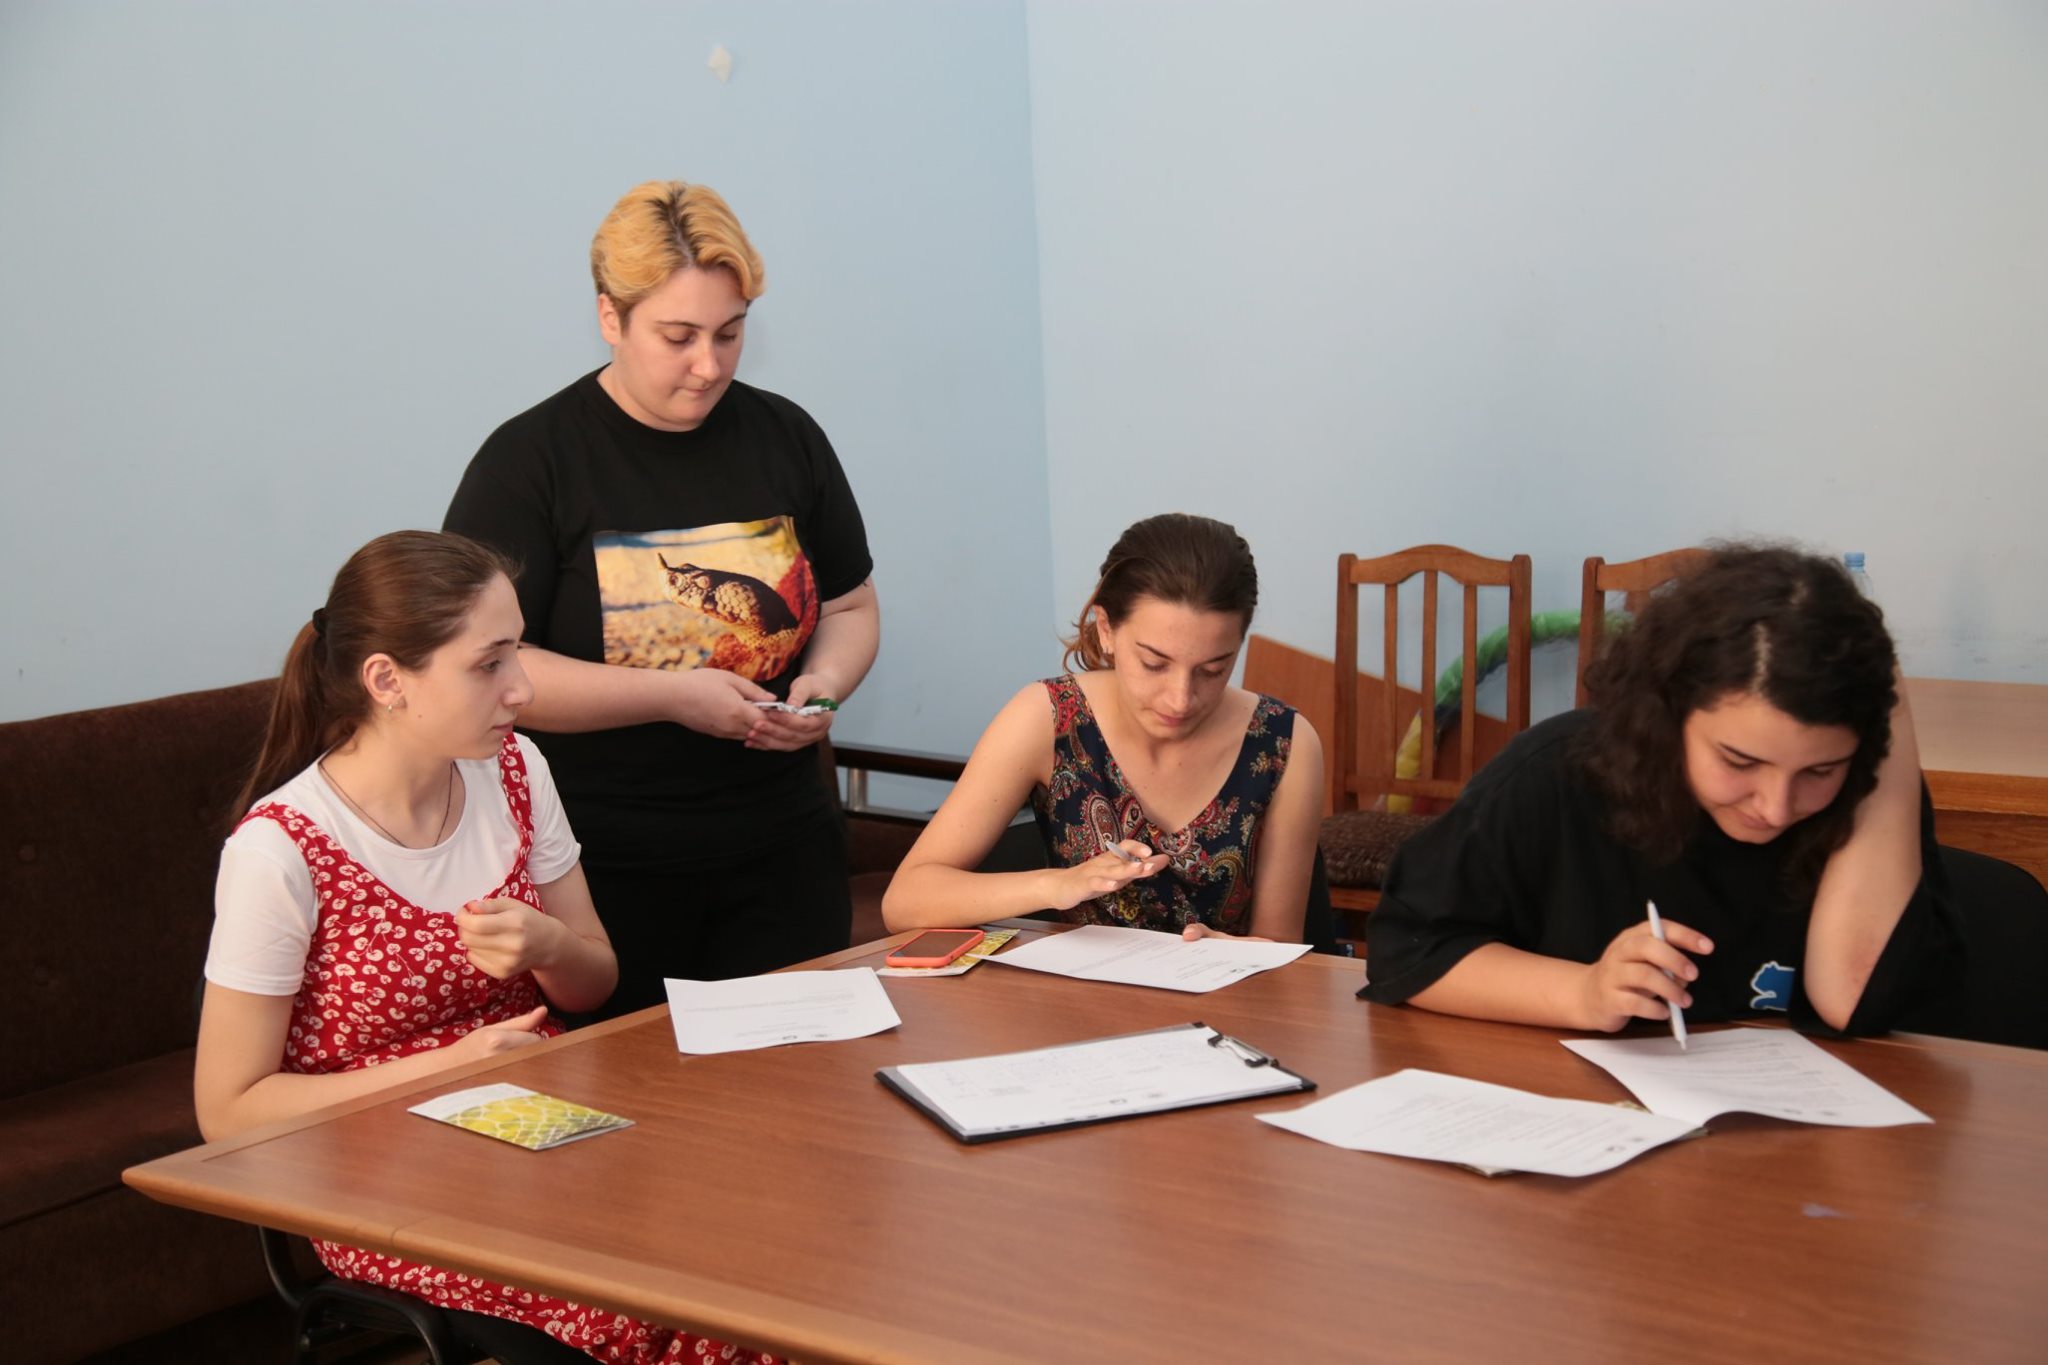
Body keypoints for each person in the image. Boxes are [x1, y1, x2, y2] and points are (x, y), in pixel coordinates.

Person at [195, 531, 770, 1365]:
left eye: (518, 653)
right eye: (489, 663)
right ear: (387, 680)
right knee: (655, 1312)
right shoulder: (279, 849)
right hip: (375, 1178)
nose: (522, 688)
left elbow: (592, 983)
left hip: (544, 1133)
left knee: (751, 1247)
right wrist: (449, 1067)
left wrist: (549, 943)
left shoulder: (516, 769)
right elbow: (228, 1110)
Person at [444, 179, 878, 1013]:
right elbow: (490, 664)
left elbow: (851, 607)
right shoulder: (530, 463)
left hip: (783, 853)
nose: (709, 365)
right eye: (678, 337)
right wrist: (672, 696)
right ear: (611, 318)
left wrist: (821, 689)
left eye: (730, 333)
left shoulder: (787, 436)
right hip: (602, 867)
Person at [1361, 544, 1961, 1036]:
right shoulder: (1557, 775)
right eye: (1739, 761)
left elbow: (1854, 997)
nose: (1776, 807)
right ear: (1668, 714)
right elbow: (1410, 951)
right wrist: (1584, 992)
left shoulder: (1863, 789)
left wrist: (1886, 703)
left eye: (1818, 772)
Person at [882, 513, 1325, 941]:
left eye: (1213, 669)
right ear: (1107, 629)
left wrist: (1235, 954)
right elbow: (906, 900)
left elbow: (1280, 946)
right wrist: (1057, 885)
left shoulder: (1283, 743)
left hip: (1231, 992)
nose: (1180, 698)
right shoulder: (1050, 717)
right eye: (1154, 663)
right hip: (1078, 992)